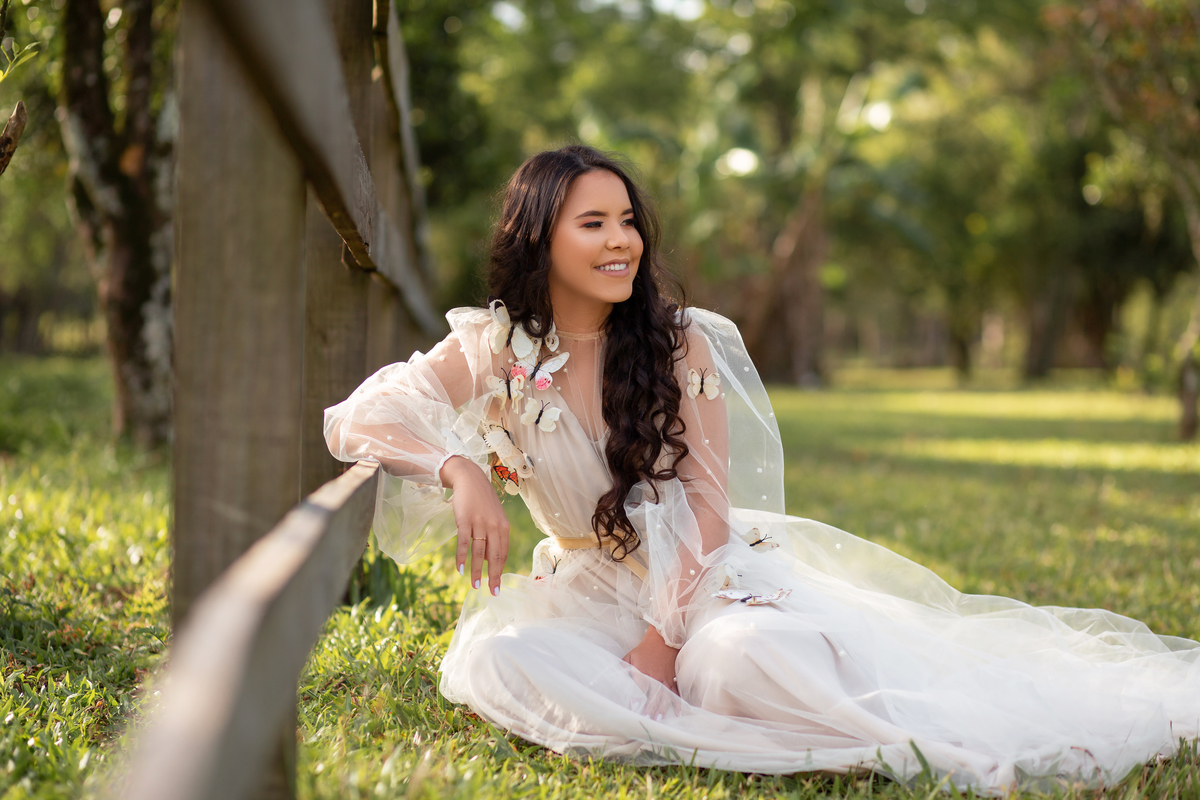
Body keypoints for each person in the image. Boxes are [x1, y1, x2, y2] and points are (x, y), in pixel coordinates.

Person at [325, 145, 1199, 793]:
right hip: (583, 588)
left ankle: (900, 748)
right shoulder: (495, 348)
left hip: (701, 579)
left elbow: (707, 502)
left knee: (737, 660)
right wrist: (457, 467)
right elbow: (363, 414)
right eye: (592, 223)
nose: (620, 240)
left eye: (627, 220)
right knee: (501, 659)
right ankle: (717, 729)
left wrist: (663, 645)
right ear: (538, 237)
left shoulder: (678, 341)